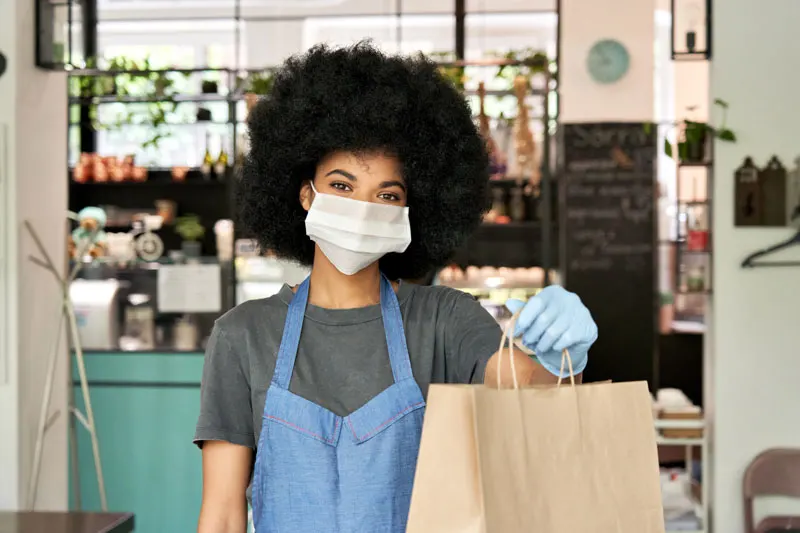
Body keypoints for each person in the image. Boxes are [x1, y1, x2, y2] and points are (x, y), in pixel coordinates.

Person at [195, 43, 598, 533]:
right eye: (341, 187)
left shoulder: (444, 320)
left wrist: (561, 358)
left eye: (387, 195)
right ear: (306, 195)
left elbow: (530, 388)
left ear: (411, 212)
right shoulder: (243, 336)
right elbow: (222, 513)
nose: (363, 208)